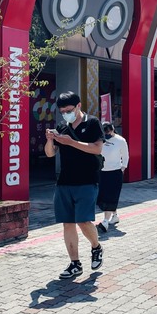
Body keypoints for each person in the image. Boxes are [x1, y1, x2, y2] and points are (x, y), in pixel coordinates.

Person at [44, 91, 104, 279]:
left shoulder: (92, 122)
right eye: (62, 111)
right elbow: (50, 154)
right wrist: (50, 140)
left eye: (69, 110)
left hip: (87, 179)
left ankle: (96, 247)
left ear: (78, 106)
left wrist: (72, 142)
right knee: (67, 223)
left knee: (83, 221)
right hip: (64, 181)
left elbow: (97, 148)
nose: (65, 114)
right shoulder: (62, 126)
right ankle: (74, 263)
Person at [96, 122, 129, 232]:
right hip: (102, 172)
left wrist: (123, 168)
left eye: (108, 132)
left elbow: (125, 156)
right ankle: (114, 216)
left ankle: (105, 221)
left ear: (112, 129)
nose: (107, 134)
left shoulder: (120, 140)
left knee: (111, 197)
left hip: (115, 172)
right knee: (103, 196)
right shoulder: (100, 139)